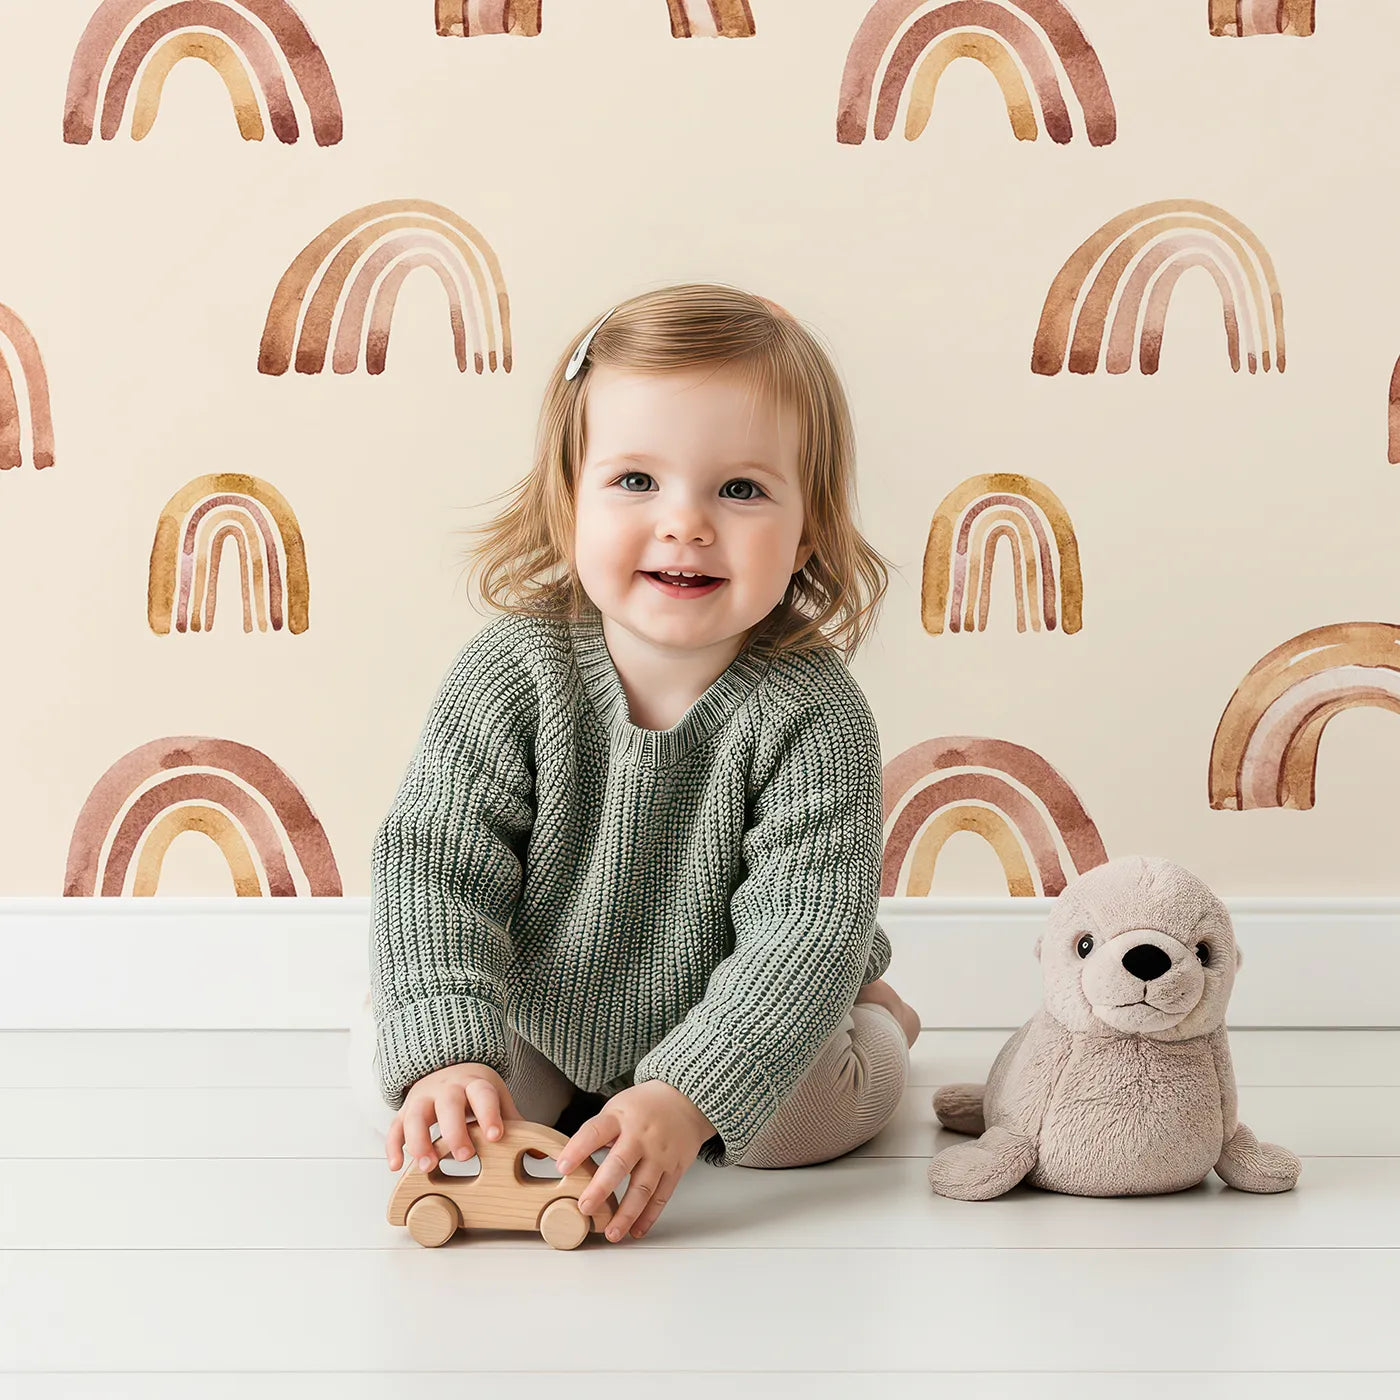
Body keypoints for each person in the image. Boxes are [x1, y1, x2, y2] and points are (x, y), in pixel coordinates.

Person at [347, 282, 921, 1245]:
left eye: (740, 489)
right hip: (546, 1000)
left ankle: (884, 1026)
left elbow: (806, 926)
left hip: (736, 1000)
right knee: (398, 1082)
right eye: (635, 481)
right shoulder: (513, 672)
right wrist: (450, 1053)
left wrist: (688, 1093)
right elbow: (434, 863)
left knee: (801, 1126)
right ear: (567, 495)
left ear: (809, 524)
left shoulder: (812, 710)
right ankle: (508, 1068)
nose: (685, 524)